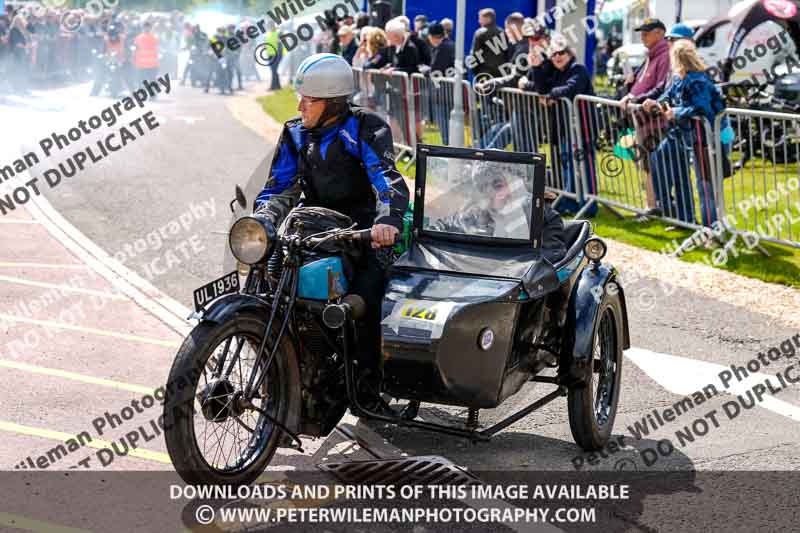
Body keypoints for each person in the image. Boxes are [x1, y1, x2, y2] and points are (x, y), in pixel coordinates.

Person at [254, 53, 409, 396]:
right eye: (301, 99)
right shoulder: (295, 133)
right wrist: (263, 219)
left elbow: (387, 181)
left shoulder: (364, 127)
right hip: (309, 228)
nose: (299, 107)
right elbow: (279, 186)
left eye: (308, 101)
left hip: (361, 232)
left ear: (333, 103)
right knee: (266, 285)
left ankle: (369, 388)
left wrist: (387, 220)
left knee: (365, 300)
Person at [643, 40, 730, 229]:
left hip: (705, 139)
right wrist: (654, 102)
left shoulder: (698, 80)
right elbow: (668, 95)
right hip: (684, 136)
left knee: (705, 184)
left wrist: (677, 112)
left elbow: (702, 108)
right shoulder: (679, 78)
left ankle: (711, 228)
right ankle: (684, 219)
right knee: (665, 161)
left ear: (677, 59)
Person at [430, 162, 567, 264]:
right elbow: (443, 227)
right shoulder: (476, 213)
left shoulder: (543, 215)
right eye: (483, 186)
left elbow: (552, 255)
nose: (490, 192)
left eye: (497, 185)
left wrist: (514, 265)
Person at [534, 37, 598, 217]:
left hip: (582, 127)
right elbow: (541, 87)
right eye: (553, 54)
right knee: (567, 163)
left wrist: (551, 95)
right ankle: (570, 201)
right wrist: (537, 67)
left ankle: (590, 205)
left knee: (584, 165)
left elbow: (571, 89)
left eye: (561, 53)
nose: (557, 57)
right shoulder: (556, 73)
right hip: (564, 128)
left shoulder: (578, 69)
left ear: (569, 53)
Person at [618, 18, 671, 220]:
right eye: (642, 32)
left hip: (656, 122)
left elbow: (660, 88)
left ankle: (657, 206)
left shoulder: (664, 56)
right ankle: (654, 205)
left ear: (659, 33)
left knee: (653, 165)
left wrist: (636, 97)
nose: (643, 36)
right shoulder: (651, 56)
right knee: (646, 164)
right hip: (643, 121)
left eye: (647, 32)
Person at [421, 22, 455, 144]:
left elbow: (436, 69)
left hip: (444, 93)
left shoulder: (443, 47)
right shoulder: (448, 45)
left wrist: (424, 70)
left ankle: (447, 149)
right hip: (446, 92)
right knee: (445, 123)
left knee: (444, 123)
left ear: (432, 36)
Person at [470, 8, 505, 78]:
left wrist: (474, 70)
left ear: (488, 19)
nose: (479, 21)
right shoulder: (502, 32)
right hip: (501, 73)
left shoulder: (480, 33)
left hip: (484, 72)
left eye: (480, 19)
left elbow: (475, 54)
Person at [132, 20, 159, 88]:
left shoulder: (139, 37)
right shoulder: (154, 37)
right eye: (146, 27)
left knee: (143, 80)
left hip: (146, 64)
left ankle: (145, 95)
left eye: (148, 27)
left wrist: (134, 59)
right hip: (148, 64)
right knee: (149, 80)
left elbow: (135, 49)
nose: (147, 28)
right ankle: (151, 95)